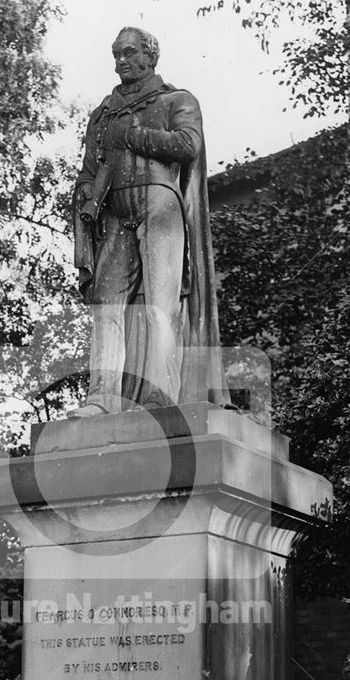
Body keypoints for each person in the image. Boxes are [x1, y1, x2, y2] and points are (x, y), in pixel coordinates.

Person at [70, 27, 231, 417]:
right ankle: (101, 397)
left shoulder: (178, 100)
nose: (120, 61)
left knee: (161, 308)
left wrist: (135, 135)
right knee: (106, 309)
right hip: (114, 214)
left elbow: (187, 145)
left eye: (128, 53)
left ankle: (160, 397)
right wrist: (87, 190)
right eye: (115, 54)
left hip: (160, 207)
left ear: (149, 56)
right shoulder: (102, 114)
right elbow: (89, 169)